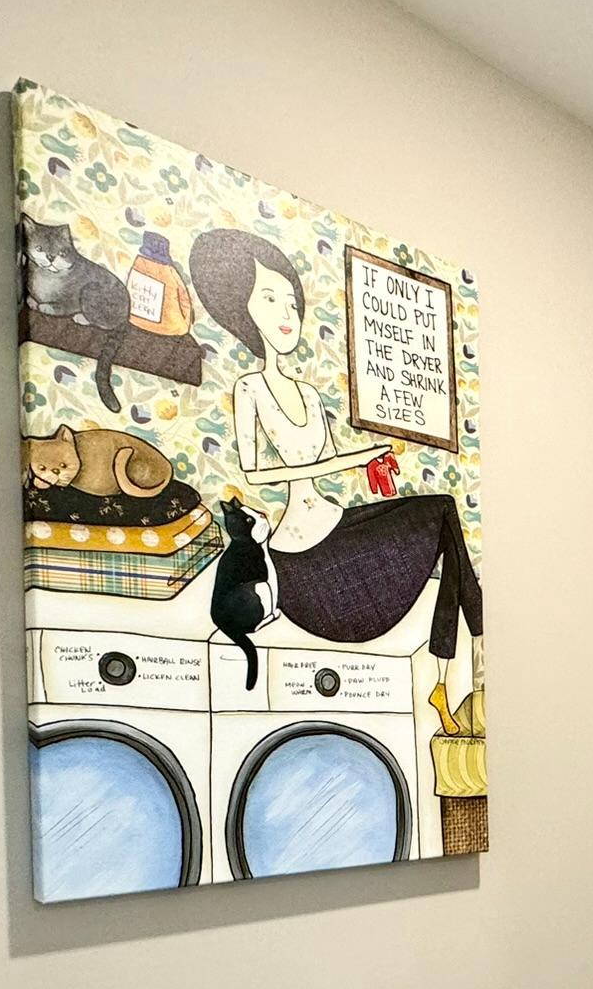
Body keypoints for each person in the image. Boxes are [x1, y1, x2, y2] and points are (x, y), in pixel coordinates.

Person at [189, 229, 482, 711]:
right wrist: (355, 457)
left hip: (335, 519)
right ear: (243, 308)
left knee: (443, 510)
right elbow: (255, 472)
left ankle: (450, 671)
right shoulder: (250, 389)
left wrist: (364, 464)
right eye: (270, 299)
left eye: (292, 303)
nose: (288, 315)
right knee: (442, 517)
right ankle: (466, 656)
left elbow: (323, 470)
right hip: (303, 550)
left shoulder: (309, 393)